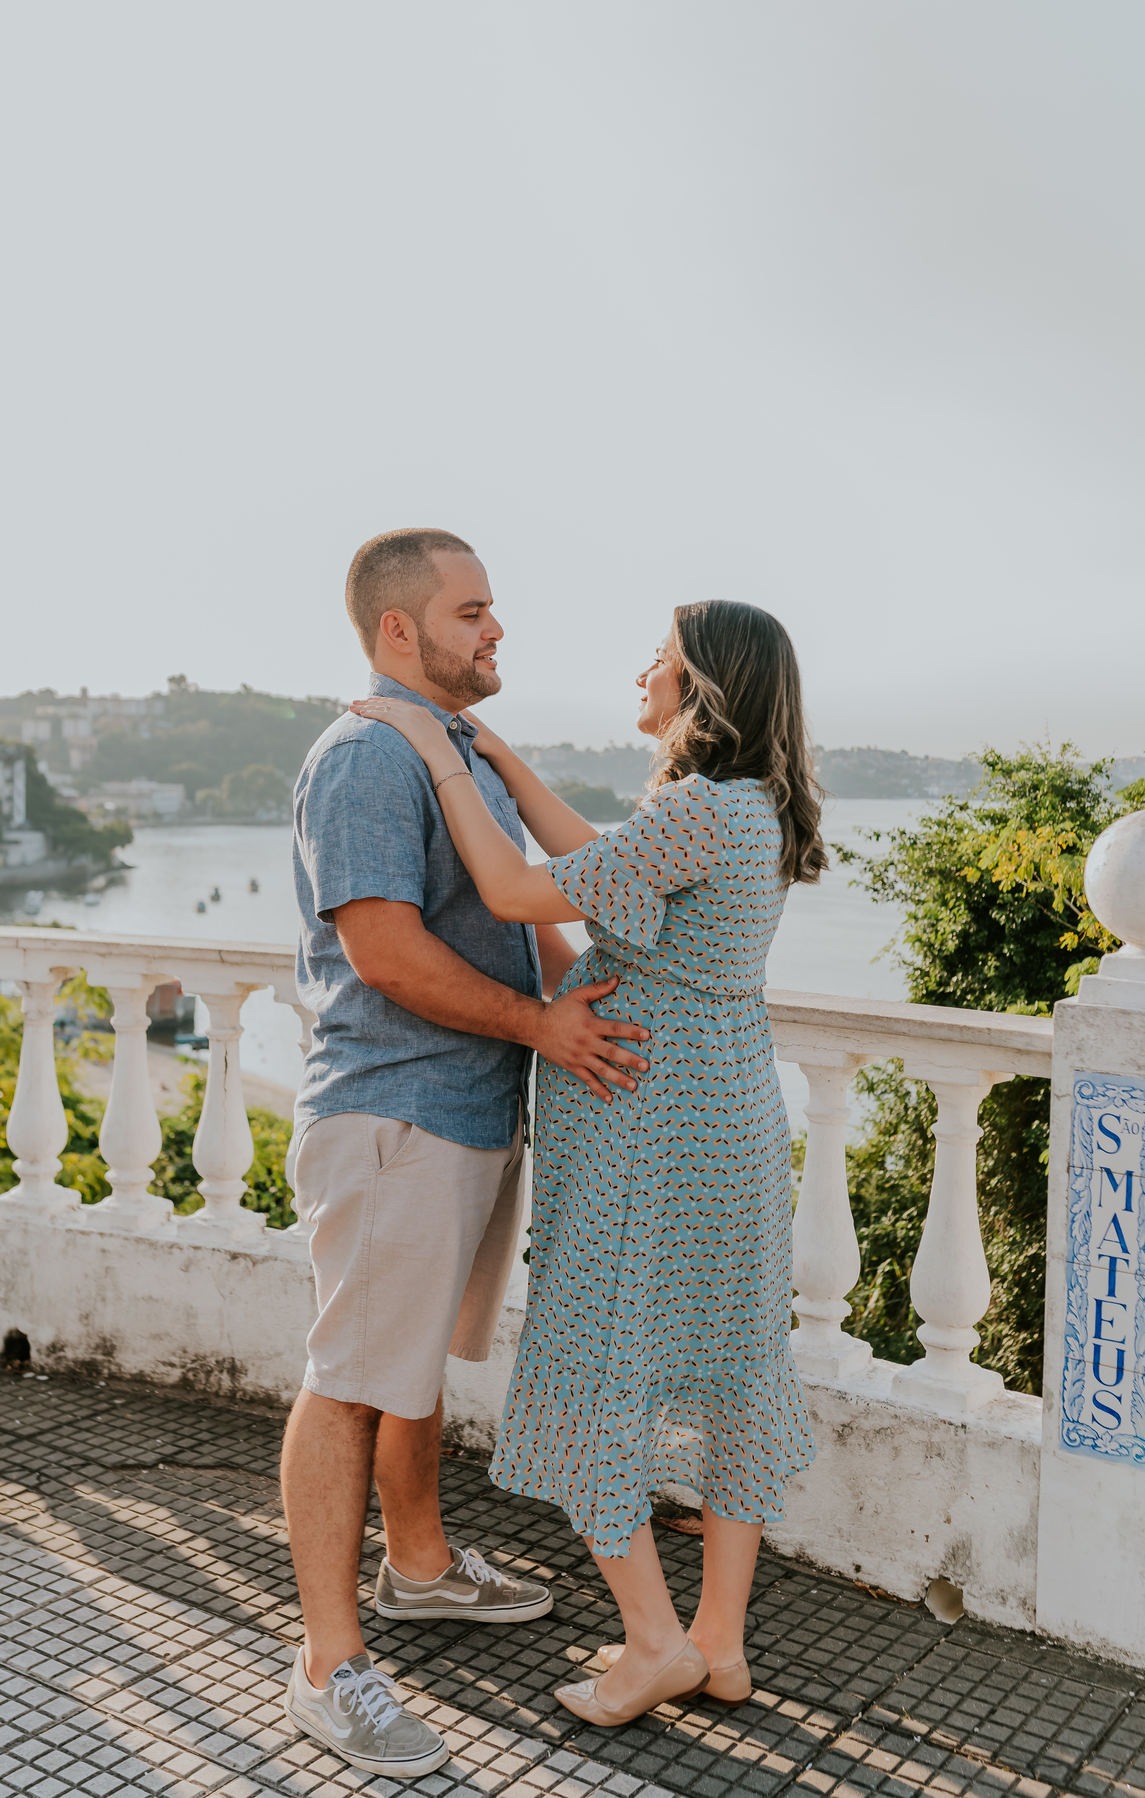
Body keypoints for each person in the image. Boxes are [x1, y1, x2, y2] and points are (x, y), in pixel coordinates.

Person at [350, 597, 826, 1727]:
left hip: (651, 1124)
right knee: (734, 1361)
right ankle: (717, 1643)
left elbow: (520, 891)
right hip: (728, 1107)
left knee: (595, 1361)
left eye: (660, 661)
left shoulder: (701, 808)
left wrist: (441, 757)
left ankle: (654, 1640)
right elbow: (593, 862)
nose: (642, 675)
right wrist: (501, 755)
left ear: (703, 688)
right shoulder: (746, 808)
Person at [281, 527, 652, 1779]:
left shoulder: (457, 755)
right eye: (473, 611)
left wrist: (576, 1006)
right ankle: (331, 1664)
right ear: (401, 629)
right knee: (347, 1378)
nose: (497, 632)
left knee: (410, 1359)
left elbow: (514, 916)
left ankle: (422, 1568)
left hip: (471, 1108)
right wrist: (542, 1024)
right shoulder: (367, 758)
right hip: (395, 1110)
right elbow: (384, 950)